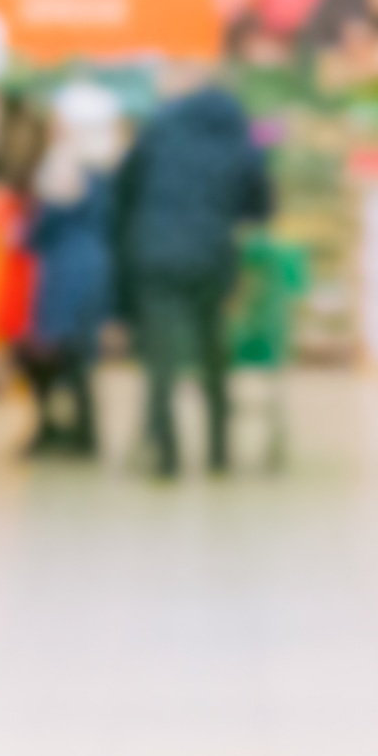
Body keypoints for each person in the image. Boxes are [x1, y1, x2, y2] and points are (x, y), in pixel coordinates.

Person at [109, 72, 271, 479]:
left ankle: (166, 454)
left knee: (161, 358)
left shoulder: (159, 131)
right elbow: (260, 204)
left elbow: (123, 190)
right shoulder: (237, 137)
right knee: (213, 352)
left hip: (156, 255)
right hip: (212, 258)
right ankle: (219, 451)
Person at [11, 88, 122, 461]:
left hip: (66, 270)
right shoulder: (105, 165)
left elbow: (44, 228)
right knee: (78, 358)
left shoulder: (65, 168)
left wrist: (23, 231)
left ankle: (65, 432)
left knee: (55, 352)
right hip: (94, 266)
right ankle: (82, 432)